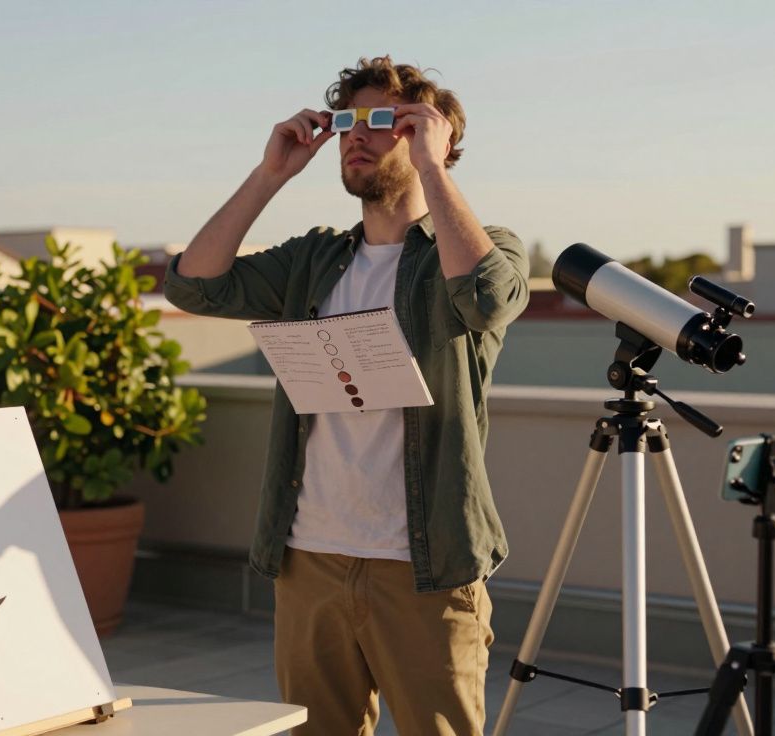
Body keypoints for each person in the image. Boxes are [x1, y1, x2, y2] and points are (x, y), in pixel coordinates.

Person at [163, 56, 529, 736]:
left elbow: (488, 298)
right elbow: (193, 285)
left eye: (382, 119)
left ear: (431, 133)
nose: (357, 134)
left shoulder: (482, 246)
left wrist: (432, 168)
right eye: (346, 121)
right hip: (309, 559)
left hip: (425, 565)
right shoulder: (314, 258)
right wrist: (271, 174)